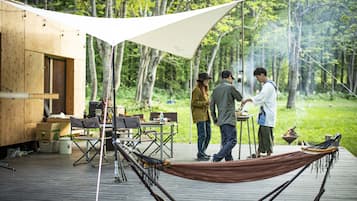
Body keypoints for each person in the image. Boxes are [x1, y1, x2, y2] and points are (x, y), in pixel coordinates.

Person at [241, 67, 277, 157]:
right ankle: (259, 152)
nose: (257, 79)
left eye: (257, 77)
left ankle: (268, 154)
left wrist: (247, 100)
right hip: (265, 113)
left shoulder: (268, 86)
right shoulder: (268, 84)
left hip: (267, 114)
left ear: (262, 75)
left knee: (266, 134)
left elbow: (261, 97)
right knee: (261, 133)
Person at [210, 70, 242, 162]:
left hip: (220, 119)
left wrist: (215, 119)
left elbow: (211, 106)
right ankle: (217, 157)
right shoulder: (230, 87)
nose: (232, 80)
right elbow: (239, 98)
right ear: (229, 76)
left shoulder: (216, 89)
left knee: (225, 142)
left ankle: (229, 160)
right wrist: (235, 87)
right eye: (232, 78)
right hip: (229, 119)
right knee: (232, 140)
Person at [191, 72, 212, 161]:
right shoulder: (197, 90)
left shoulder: (205, 89)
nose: (208, 81)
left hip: (206, 115)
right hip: (199, 115)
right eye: (206, 80)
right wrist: (206, 103)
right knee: (202, 135)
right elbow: (194, 103)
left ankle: (202, 152)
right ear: (202, 80)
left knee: (208, 135)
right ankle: (200, 154)